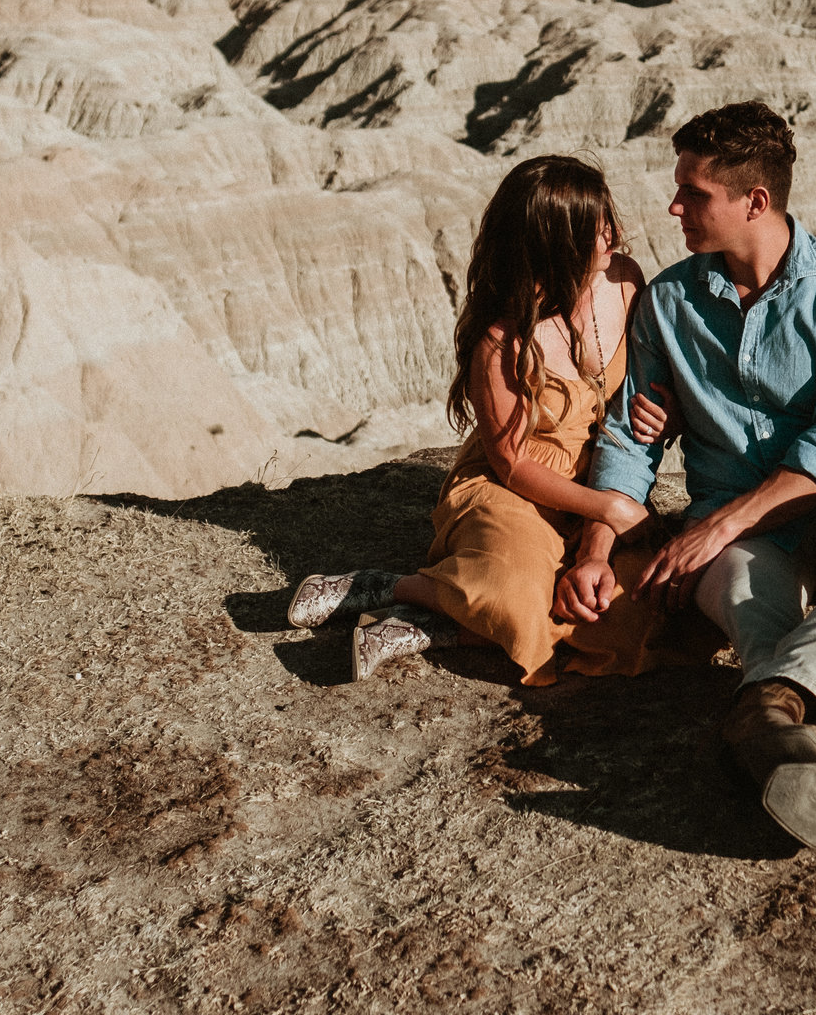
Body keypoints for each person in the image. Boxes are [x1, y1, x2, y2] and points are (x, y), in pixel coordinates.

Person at [570, 101, 816, 856]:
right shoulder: (671, 304)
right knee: (762, 621)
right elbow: (627, 440)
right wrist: (595, 546)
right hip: (739, 545)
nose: (674, 205)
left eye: (694, 192)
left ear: (755, 200)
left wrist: (720, 521)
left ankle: (764, 709)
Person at [284, 154, 672, 683]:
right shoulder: (501, 341)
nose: (615, 234)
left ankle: (434, 626)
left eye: (608, 217)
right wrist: (608, 506)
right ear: (556, 243)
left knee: (634, 605)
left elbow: (643, 386)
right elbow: (510, 464)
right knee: (513, 592)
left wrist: (660, 414)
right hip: (515, 489)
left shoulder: (625, 282)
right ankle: (387, 588)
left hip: (600, 473)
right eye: (596, 226)